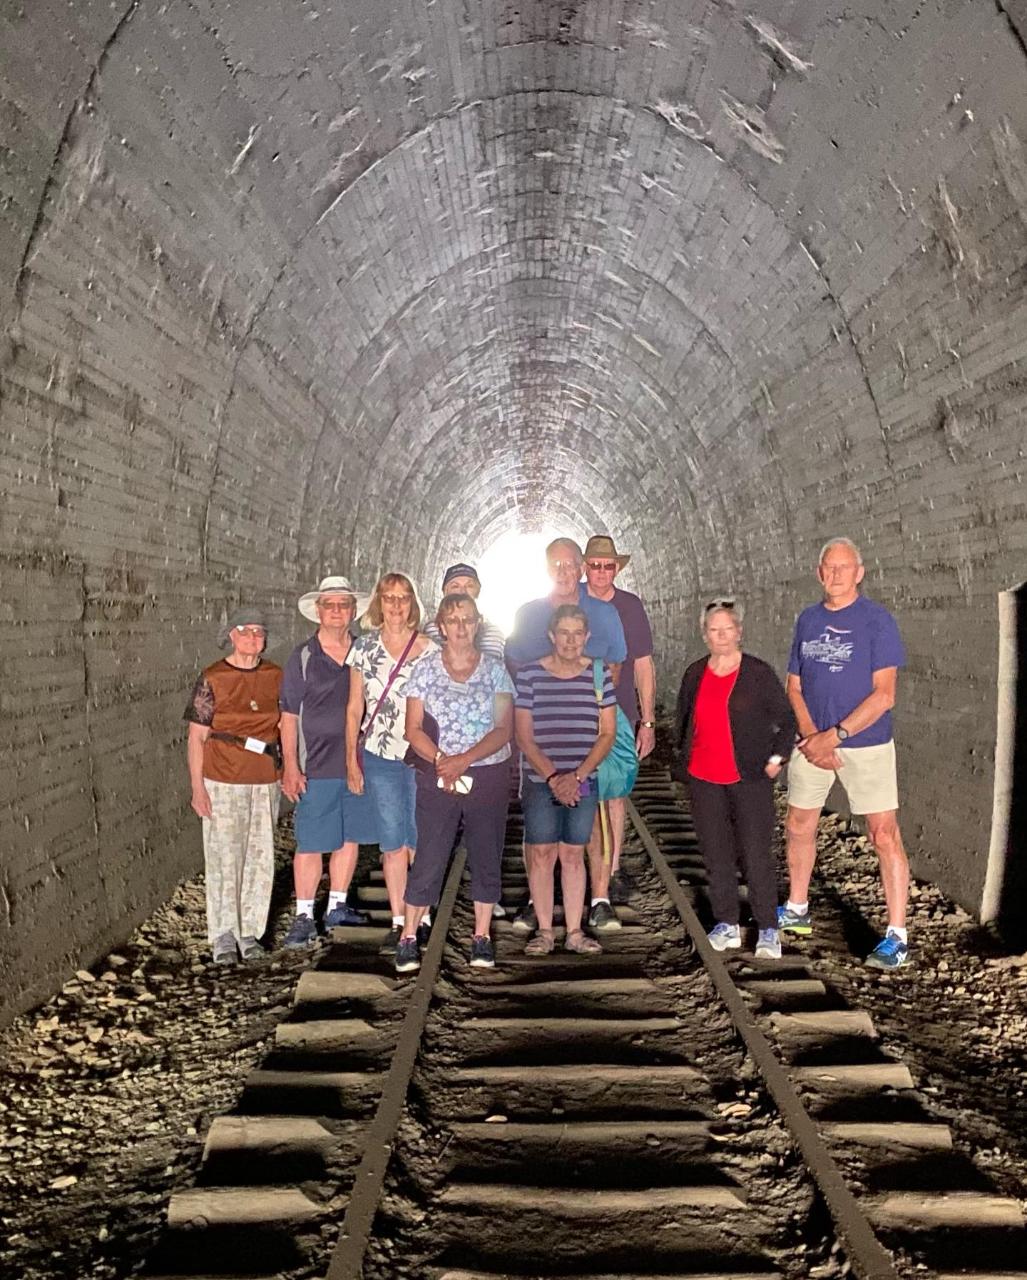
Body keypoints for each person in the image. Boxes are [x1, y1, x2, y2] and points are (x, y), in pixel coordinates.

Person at [780, 538, 910, 969]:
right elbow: (794, 686)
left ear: (859, 572)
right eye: (827, 568)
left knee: (883, 834)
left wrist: (833, 737)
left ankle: (897, 935)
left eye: (843, 567)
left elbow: (884, 694)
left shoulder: (877, 621)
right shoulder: (808, 620)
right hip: (811, 741)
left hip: (864, 743)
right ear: (819, 573)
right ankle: (797, 908)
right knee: (799, 823)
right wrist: (811, 736)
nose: (834, 575)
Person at [505, 538, 627, 934]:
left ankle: (598, 899)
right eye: (555, 563)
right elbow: (517, 663)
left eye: (570, 563)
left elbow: (615, 668)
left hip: (587, 738)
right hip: (543, 739)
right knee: (539, 839)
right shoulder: (529, 615)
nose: (564, 569)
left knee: (589, 826)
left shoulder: (603, 613)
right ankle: (537, 906)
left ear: (581, 568)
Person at [397, 593, 516, 973]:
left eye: (467, 619)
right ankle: (409, 936)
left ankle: (481, 936)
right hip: (439, 775)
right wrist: (441, 761)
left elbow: (503, 730)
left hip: (487, 774)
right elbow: (412, 728)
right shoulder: (425, 669)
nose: (461, 627)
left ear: (477, 623)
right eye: (453, 620)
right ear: (442, 627)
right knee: (430, 853)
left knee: (485, 852)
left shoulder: (496, 670)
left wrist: (464, 760)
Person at [673, 600, 796, 959]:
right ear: (704, 634)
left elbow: (786, 720)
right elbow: (683, 719)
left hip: (749, 777)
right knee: (716, 853)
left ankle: (767, 928)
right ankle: (727, 922)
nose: (721, 636)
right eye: (714, 629)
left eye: (727, 629)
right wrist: (683, 760)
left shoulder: (757, 673)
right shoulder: (695, 672)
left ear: (739, 631)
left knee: (755, 853)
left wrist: (777, 758)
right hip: (704, 776)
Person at [278, 575, 377, 948]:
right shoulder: (303, 656)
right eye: (330, 605)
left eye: (343, 605)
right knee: (311, 841)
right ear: (318, 611)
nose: (337, 611)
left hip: (356, 762)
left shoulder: (366, 651)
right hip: (315, 763)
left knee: (349, 835)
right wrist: (290, 765)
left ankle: (336, 903)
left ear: (353, 611)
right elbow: (288, 715)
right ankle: (304, 915)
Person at [514, 605, 617, 956]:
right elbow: (524, 736)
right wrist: (555, 777)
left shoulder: (599, 676)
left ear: (586, 637)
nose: (571, 641)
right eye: (564, 633)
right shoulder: (529, 675)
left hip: (582, 779)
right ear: (551, 635)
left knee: (573, 853)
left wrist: (577, 776)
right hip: (542, 779)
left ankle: (574, 931)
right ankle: (544, 931)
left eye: (578, 633)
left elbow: (607, 733)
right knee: (542, 853)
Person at [184, 609, 282, 964]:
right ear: (232, 634)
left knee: (259, 855)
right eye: (246, 631)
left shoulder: (274, 675)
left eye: (259, 632)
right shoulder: (214, 677)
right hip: (223, 777)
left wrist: (287, 770)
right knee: (225, 855)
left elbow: (285, 725)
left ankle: (249, 932)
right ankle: (223, 934)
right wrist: (198, 787)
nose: (253, 638)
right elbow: (196, 738)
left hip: (263, 778)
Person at [346, 573, 436, 954]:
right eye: (389, 598)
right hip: (380, 755)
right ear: (378, 603)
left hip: (420, 757)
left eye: (403, 598)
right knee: (392, 840)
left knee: (420, 837)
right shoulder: (363, 650)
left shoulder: (430, 650)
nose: (396, 605)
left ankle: (422, 916)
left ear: (412, 603)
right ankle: (401, 920)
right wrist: (351, 759)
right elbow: (354, 709)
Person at [581, 534, 656, 922]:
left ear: (617, 569)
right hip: (575, 713)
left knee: (614, 794)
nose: (602, 573)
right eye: (595, 565)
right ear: (585, 567)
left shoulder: (629, 606)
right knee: (578, 792)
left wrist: (647, 720)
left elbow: (642, 664)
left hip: (619, 713)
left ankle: (609, 874)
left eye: (608, 566)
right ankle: (582, 871)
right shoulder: (571, 600)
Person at [424, 563, 505, 659]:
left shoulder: (493, 633)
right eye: (455, 586)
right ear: (445, 592)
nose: (462, 591)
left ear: (477, 592)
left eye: (469, 586)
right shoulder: (433, 629)